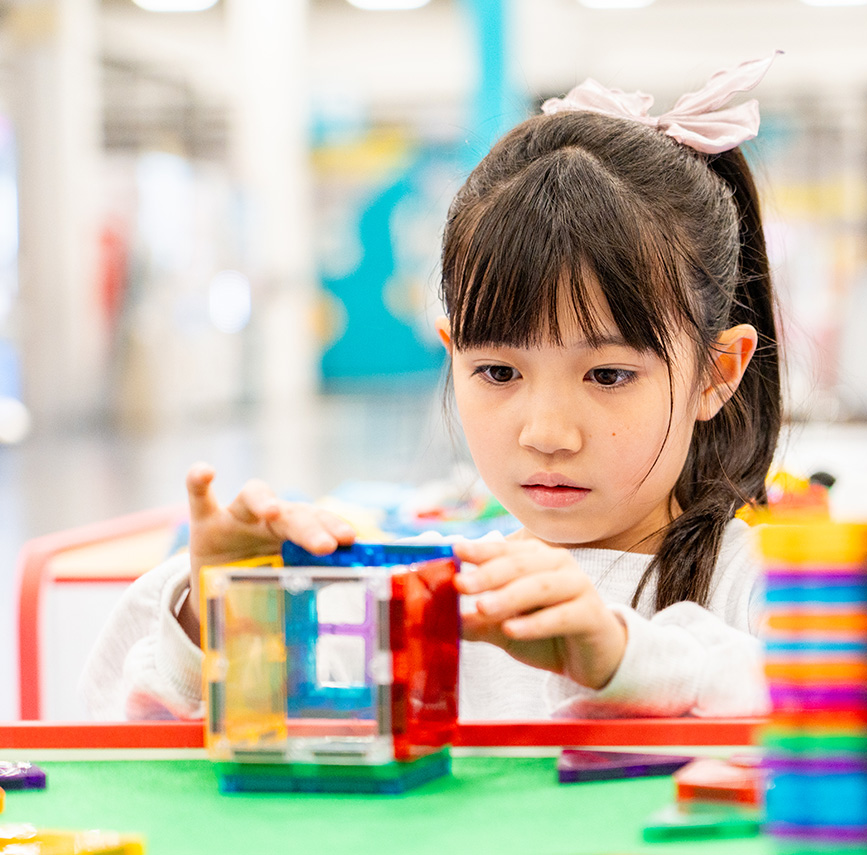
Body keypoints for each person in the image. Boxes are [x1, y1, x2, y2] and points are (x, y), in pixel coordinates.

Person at [81, 55, 782, 722]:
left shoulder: (765, 587)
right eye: (499, 372)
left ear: (716, 373)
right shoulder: (428, 593)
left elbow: (829, 713)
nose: (546, 431)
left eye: (607, 375)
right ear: (453, 356)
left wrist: (622, 657)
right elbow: (115, 748)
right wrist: (216, 617)